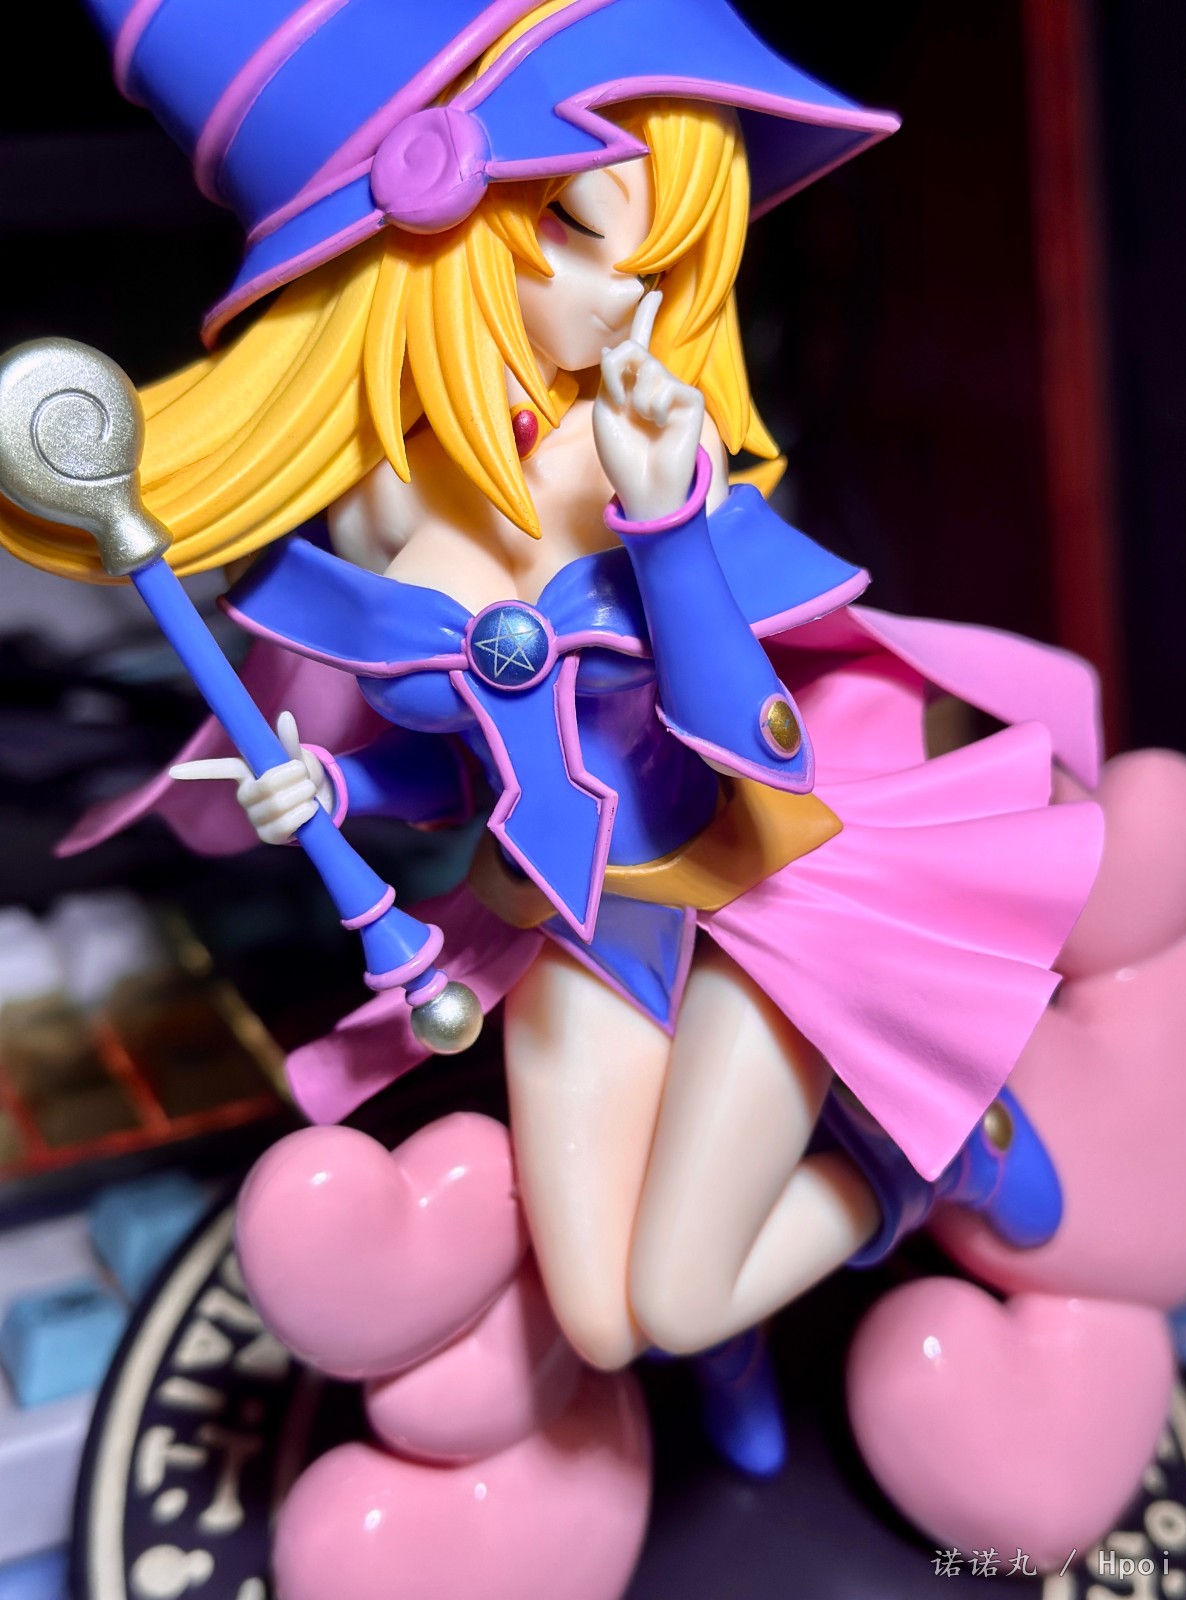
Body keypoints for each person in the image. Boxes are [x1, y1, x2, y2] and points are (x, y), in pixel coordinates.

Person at [0, 0, 1103, 1401]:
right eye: (581, 229)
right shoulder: (379, 535)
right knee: (603, 1322)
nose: (633, 301)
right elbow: (451, 768)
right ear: (426, 234)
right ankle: (809, 1255)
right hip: (574, 927)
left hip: (768, 898)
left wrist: (668, 530)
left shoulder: (644, 453)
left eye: (662, 258)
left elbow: (751, 736)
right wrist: (328, 787)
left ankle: (936, 1154)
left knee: (678, 1294)